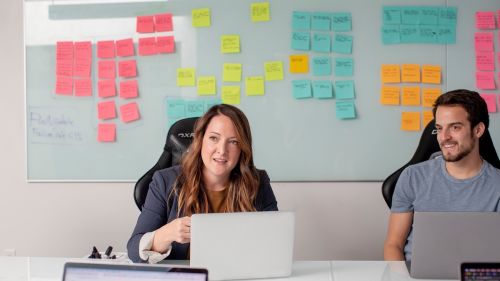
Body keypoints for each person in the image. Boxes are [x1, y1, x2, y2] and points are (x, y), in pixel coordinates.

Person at [127, 104, 278, 263]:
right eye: (214, 138)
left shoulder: (257, 182)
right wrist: (166, 234)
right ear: (201, 140)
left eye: (233, 141)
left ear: (242, 148)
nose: (222, 150)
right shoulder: (164, 181)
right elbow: (133, 251)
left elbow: (276, 241)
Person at [384, 89, 500, 261]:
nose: (444, 137)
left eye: (455, 127)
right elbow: (394, 245)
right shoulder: (412, 177)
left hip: (477, 275)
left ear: (478, 130)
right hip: (417, 277)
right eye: (439, 128)